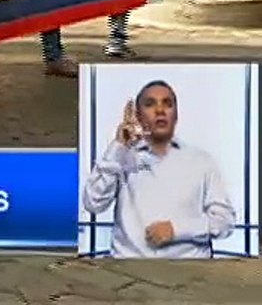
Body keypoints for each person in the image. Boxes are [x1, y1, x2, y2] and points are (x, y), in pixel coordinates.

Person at [82, 80, 236, 258]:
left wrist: (177, 229)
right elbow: (93, 203)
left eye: (167, 104)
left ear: (176, 115)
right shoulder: (121, 157)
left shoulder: (202, 162)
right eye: (150, 104)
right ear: (138, 116)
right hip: (127, 272)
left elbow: (224, 222)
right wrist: (119, 145)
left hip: (189, 273)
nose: (160, 110)